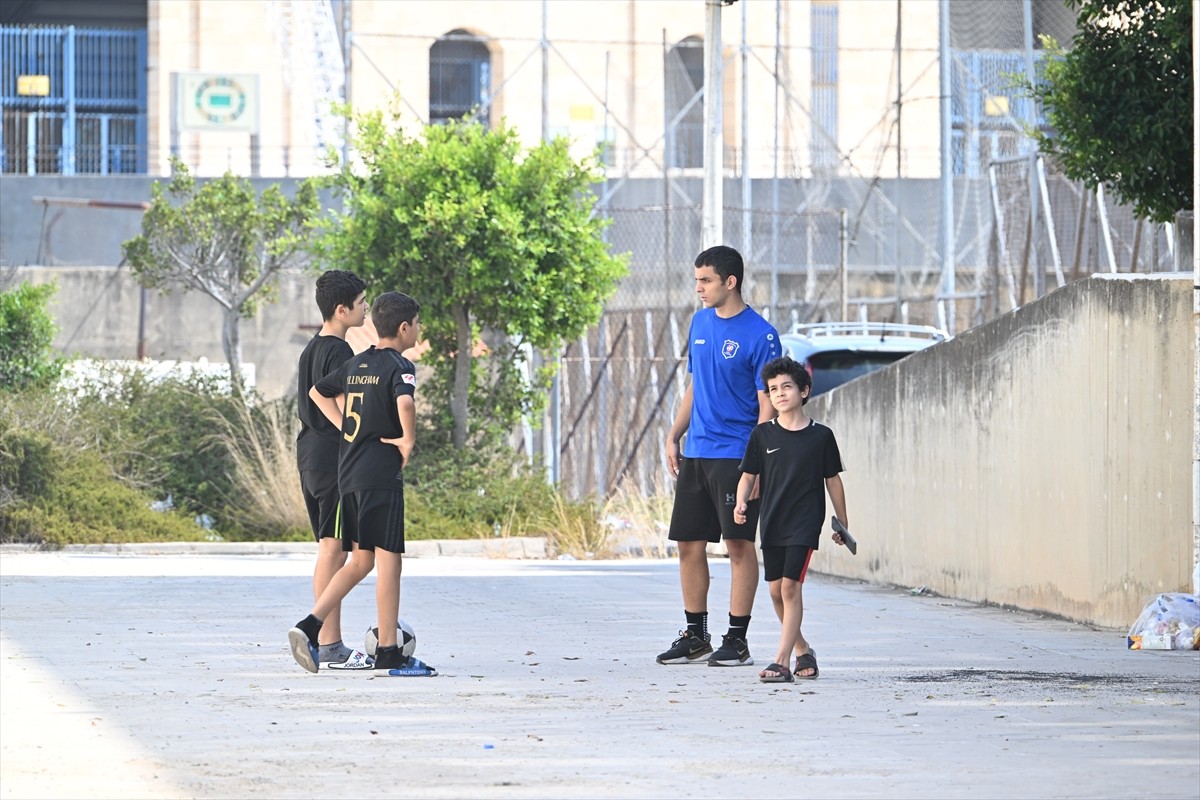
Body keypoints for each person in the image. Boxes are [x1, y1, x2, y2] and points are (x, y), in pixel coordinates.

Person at [287, 291, 436, 677]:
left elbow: (318, 392)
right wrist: (407, 439)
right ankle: (390, 650)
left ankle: (311, 625)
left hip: (349, 474)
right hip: (379, 474)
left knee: (362, 559)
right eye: (417, 324)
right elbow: (405, 403)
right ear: (404, 328)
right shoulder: (399, 365)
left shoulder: (357, 363)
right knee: (389, 561)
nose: (419, 330)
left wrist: (347, 430)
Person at [658, 245, 780, 667]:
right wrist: (675, 433)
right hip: (699, 453)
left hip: (737, 456)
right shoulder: (699, 322)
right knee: (688, 544)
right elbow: (696, 384)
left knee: (738, 545)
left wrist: (758, 461)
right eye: (697, 281)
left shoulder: (761, 335)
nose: (699, 289)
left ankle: (738, 639)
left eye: (706, 280)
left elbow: (768, 405)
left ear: (730, 281)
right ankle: (696, 635)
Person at [733, 355, 849, 682]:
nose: (780, 393)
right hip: (771, 520)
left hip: (805, 521)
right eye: (773, 389)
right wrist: (741, 502)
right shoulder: (762, 436)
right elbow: (747, 476)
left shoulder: (821, 436)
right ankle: (802, 649)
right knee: (774, 592)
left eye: (787, 386)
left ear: (804, 391)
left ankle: (781, 662)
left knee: (790, 588)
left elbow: (833, 480)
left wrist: (842, 522)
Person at [295, 269, 368, 668]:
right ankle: (328, 642)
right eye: (360, 303)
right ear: (341, 310)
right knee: (334, 548)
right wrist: (354, 436)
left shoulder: (311, 348)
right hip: (331, 458)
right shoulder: (340, 353)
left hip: (310, 456)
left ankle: (326, 641)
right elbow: (325, 400)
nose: (366, 308)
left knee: (331, 547)